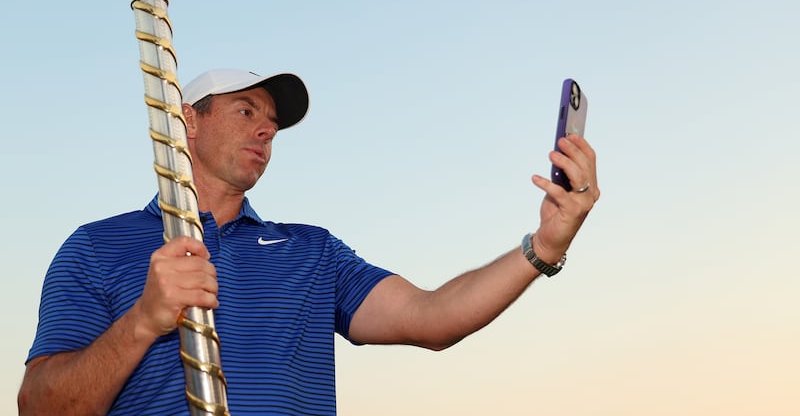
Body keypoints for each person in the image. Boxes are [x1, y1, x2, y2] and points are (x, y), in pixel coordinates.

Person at [18, 68, 600, 415]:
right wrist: (143, 320)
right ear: (186, 123)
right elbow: (40, 407)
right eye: (245, 110)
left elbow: (433, 317)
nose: (265, 129)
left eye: (271, 122)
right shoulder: (97, 246)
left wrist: (542, 248)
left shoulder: (312, 253)